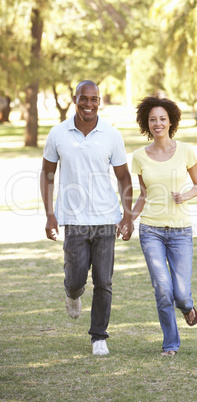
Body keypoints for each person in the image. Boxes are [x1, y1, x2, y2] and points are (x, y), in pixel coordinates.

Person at [40, 80, 133, 356]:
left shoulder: (112, 135)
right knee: (76, 278)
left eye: (94, 99)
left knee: (104, 281)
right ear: (75, 99)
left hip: (106, 218)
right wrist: (49, 214)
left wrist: (127, 216)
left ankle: (99, 337)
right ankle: (72, 293)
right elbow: (47, 175)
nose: (89, 104)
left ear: (99, 101)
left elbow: (123, 177)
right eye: (84, 98)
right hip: (74, 219)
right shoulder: (58, 133)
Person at [131, 96, 197, 356]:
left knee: (181, 293)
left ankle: (187, 306)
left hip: (180, 230)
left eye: (162, 118)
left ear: (171, 121)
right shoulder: (139, 156)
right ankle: (170, 343)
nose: (157, 123)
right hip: (150, 230)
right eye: (153, 119)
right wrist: (128, 219)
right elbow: (142, 194)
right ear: (146, 123)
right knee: (163, 287)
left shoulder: (186, 151)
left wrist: (185, 195)